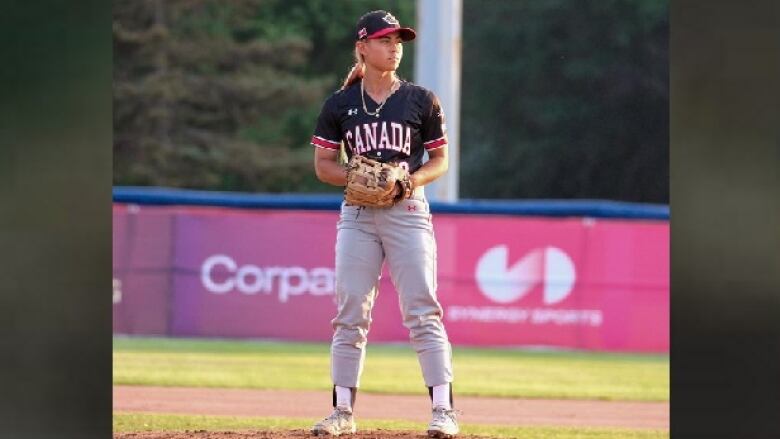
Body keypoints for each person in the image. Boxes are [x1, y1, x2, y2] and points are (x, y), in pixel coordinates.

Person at [309, 9, 459, 439]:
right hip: (356, 215)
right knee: (350, 312)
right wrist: (356, 177)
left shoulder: (420, 100)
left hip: (408, 211)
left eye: (398, 40)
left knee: (422, 309)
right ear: (362, 47)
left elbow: (439, 160)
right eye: (384, 39)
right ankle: (341, 412)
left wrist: (406, 180)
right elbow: (323, 165)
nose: (394, 47)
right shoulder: (339, 104)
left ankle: (444, 410)